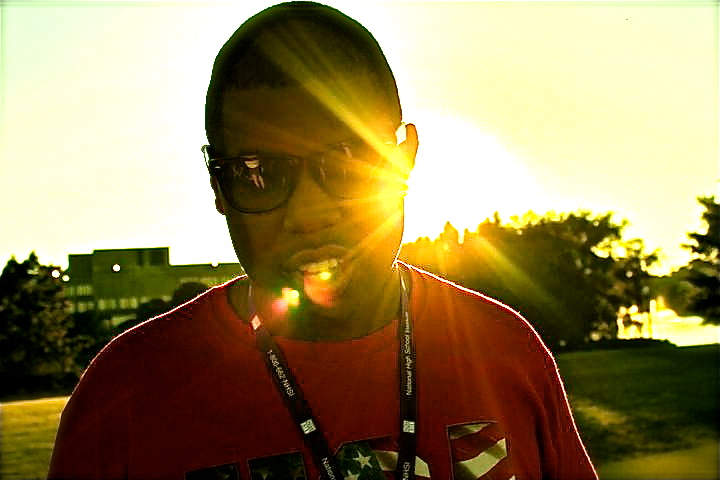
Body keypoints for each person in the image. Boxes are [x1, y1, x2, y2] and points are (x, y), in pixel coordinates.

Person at [48, 2, 597, 479]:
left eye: (349, 160)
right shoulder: (126, 397)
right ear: (218, 188)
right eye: (258, 172)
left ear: (405, 160)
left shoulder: (504, 353)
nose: (309, 213)